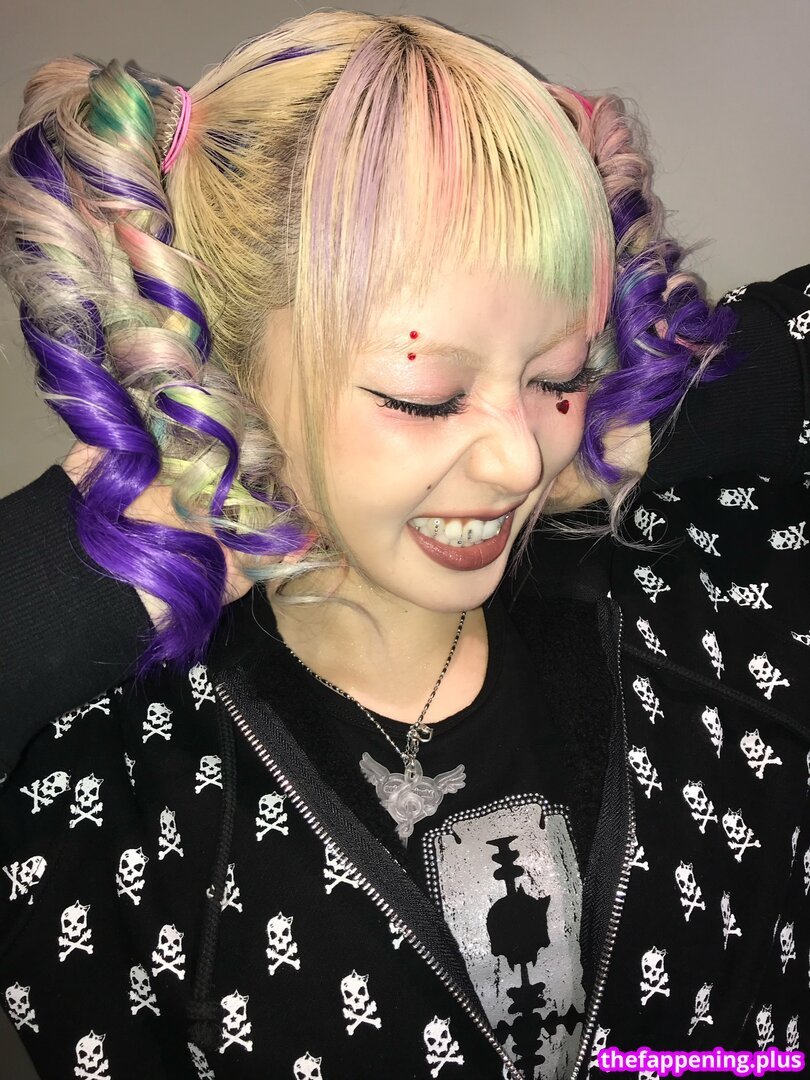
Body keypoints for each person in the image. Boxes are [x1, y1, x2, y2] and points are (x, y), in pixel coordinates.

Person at [0, 11, 808, 1079]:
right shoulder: (122, 789)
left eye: (559, 374)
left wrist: (637, 416)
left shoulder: (702, 610)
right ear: (227, 364)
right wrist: (110, 545)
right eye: (425, 394)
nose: (518, 461)